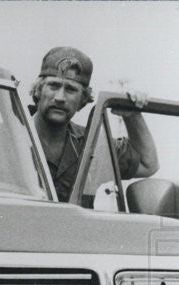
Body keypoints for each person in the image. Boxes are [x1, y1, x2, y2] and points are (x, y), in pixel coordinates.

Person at [30, 46, 159, 202]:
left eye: (70, 90)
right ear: (38, 90)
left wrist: (133, 114)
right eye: (54, 86)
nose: (60, 97)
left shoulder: (92, 144)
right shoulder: (6, 136)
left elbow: (148, 164)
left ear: (83, 100)